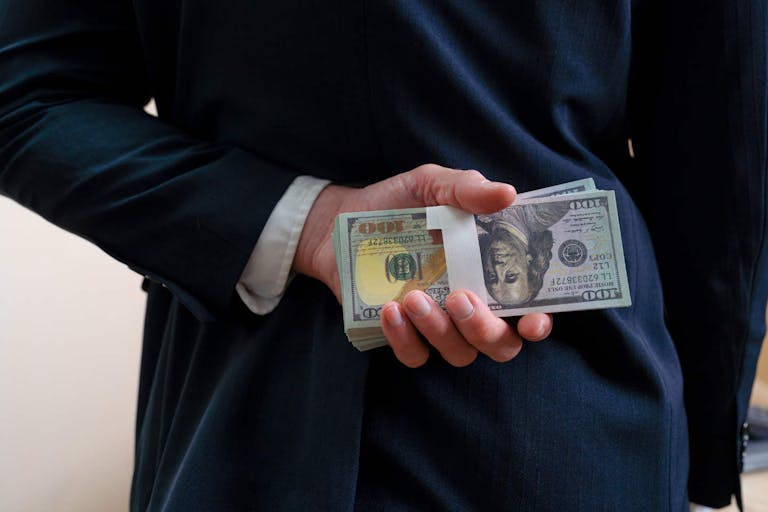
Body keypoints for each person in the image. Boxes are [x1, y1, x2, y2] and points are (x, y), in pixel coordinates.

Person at [0, 1, 765, 510]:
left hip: (242, 420)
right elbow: (726, 149)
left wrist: (301, 223)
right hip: (573, 418)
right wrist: (702, 442)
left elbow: (22, 94)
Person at [476, 202, 570, 307]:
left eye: (491, 276)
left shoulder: (474, 223)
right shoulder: (547, 212)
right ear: (530, 262)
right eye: (510, 275)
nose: (497, 267)